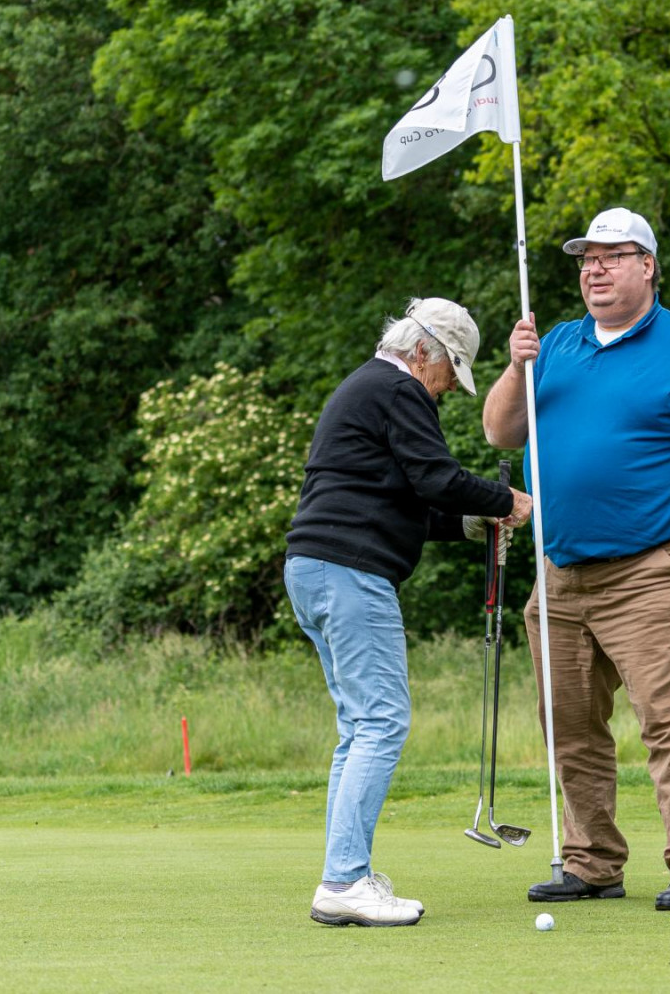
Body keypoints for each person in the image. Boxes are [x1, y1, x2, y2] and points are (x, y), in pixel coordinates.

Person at [481, 207, 670, 912]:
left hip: (658, 565)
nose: (595, 267)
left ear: (647, 267)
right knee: (569, 719)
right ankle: (591, 861)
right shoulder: (554, 344)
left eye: (614, 255)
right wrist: (514, 365)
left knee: (667, 717)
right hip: (561, 569)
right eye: (587, 257)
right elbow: (500, 431)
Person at [286, 297, 534, 927]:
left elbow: (403, 499)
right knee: (382, 722)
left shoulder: (365, 388)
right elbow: (437, 476)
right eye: (451, 369)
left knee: (359, 726)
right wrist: (505, 498)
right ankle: (343, 881)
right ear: (423, 351)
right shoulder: (399, 389)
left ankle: (345, 873)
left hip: (314, 567)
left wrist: (473, 522)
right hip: (350, 571)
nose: (450, 385)